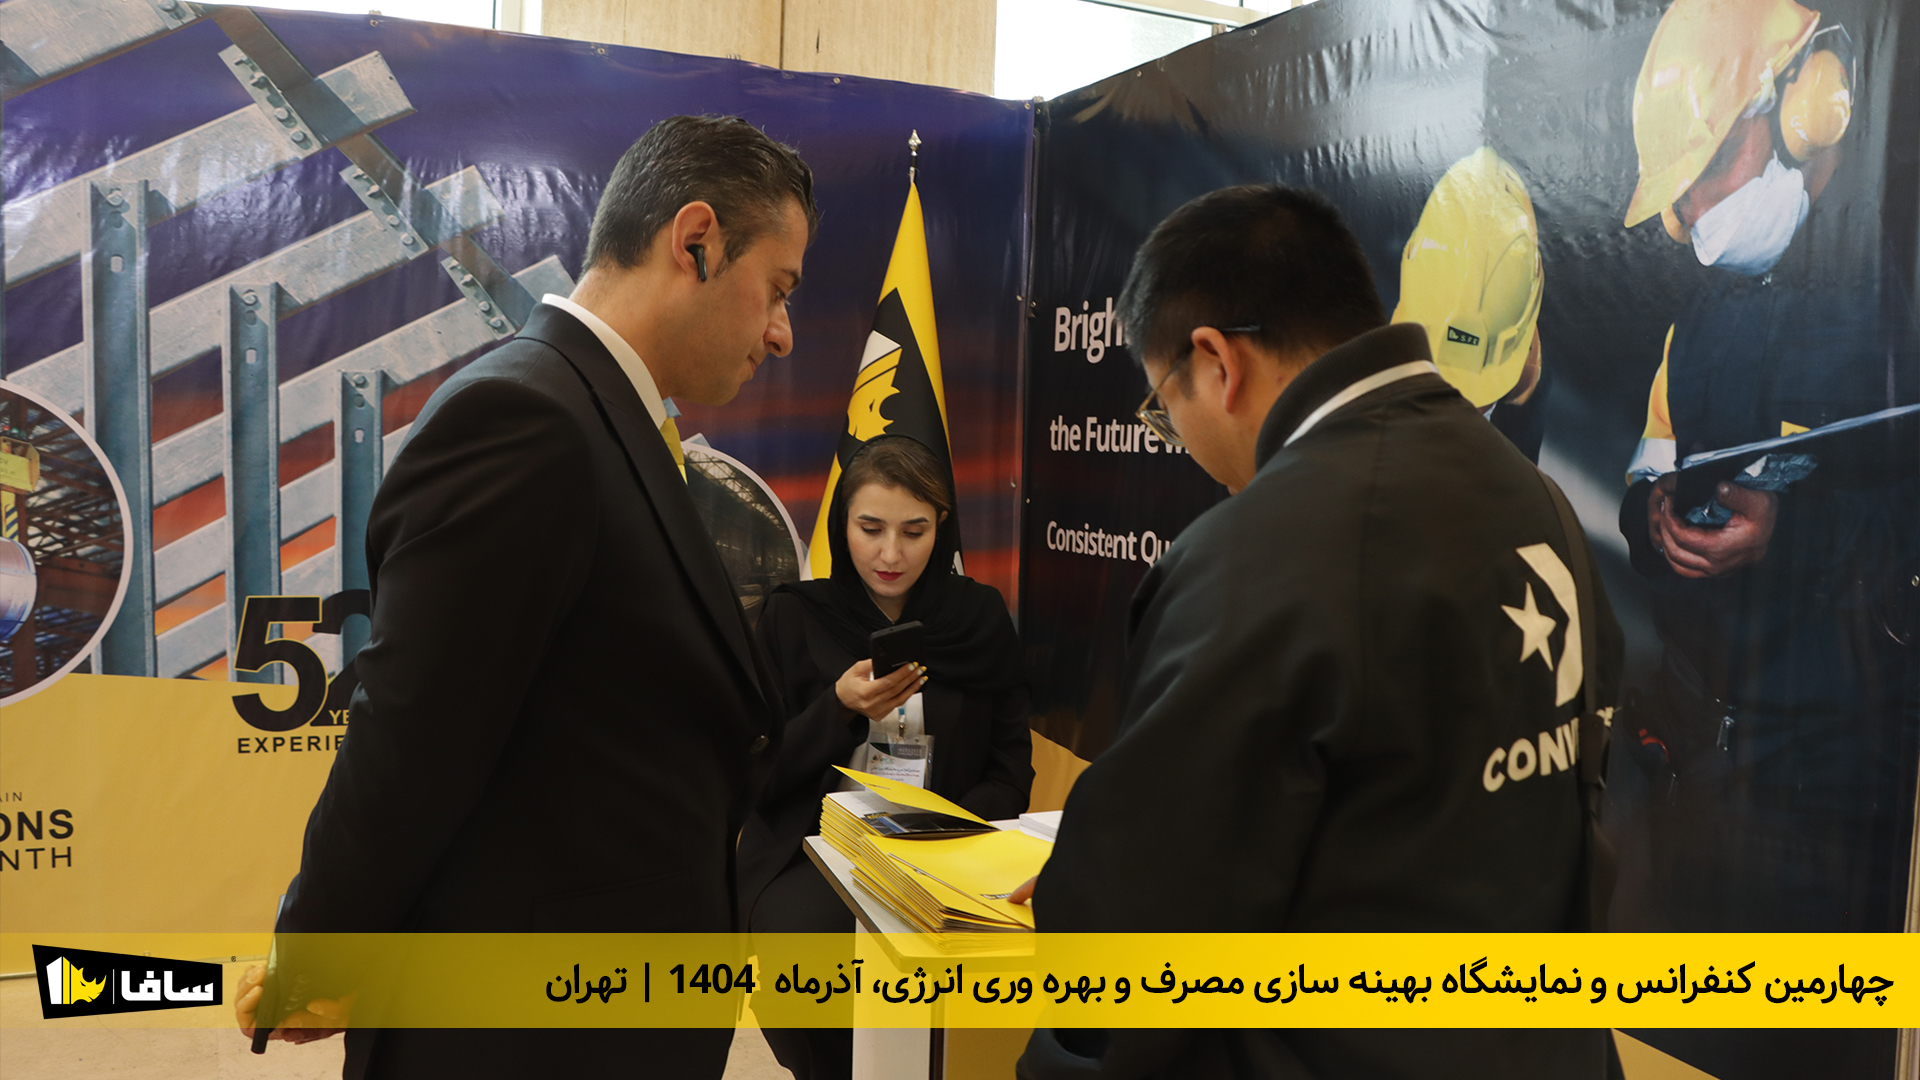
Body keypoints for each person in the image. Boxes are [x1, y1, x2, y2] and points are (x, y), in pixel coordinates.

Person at [232, 114, 816, 1079]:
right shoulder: (528, 417)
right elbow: (412, 732)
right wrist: (324, 951)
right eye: (779, 289)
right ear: (697, 243)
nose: (782, 332)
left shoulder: (605, 420)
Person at [1015, 183, 1623, 1079]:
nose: (1178, 436)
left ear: (1215, 361)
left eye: (1162, 407)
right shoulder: (1543, 503)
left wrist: (1096, 885)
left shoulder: (1254, 553)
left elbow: (1127, 951)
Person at [1615, 0, 1918, 933]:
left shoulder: (1897, 301)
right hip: (1695, 766)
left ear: (1808, 103)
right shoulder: (1698, 320)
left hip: (1830, 791)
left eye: (1708, 167)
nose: (1690, 213)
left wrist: (1794, 535)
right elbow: (1643, 476)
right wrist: (1652, 520)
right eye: (1677, 191)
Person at [738, 434, 1033, 1080]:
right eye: (870, 529)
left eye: (914, 531)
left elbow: (1012, 768)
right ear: (841, 524)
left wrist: (946, 831)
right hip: (816, 846)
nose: (891, 554)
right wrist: (839, 708)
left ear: (942, 528)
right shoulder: (794, 618)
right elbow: (759, 776)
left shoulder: (979, 619)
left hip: (949, 847)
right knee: (802, 958)